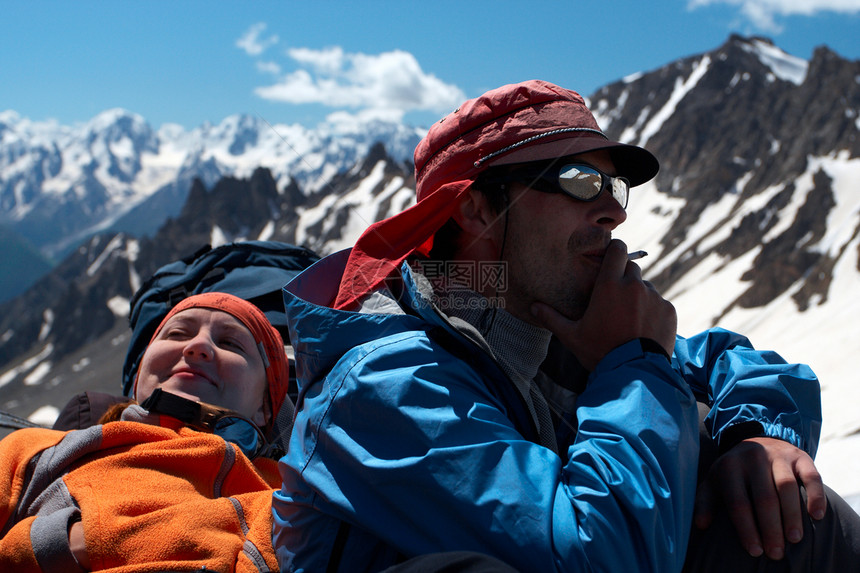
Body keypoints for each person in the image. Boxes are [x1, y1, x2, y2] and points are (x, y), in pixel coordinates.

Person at [272, 80, 860, 572]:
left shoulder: (537, 318)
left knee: (794, 512)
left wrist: (756, 436)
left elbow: (730, 361)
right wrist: (634, 361)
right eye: (580, 181)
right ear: (475, 207)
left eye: (613, 185)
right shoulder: (382, 385)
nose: (615, 210)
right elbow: (596, 557)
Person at [0, 292, 290, 572]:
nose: (198, 345)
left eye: (230, 343)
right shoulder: (31, 450)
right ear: (139, 378)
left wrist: (83, 544)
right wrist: (56, 544)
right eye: (176, 334)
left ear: (266, 407)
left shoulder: (288, 496)